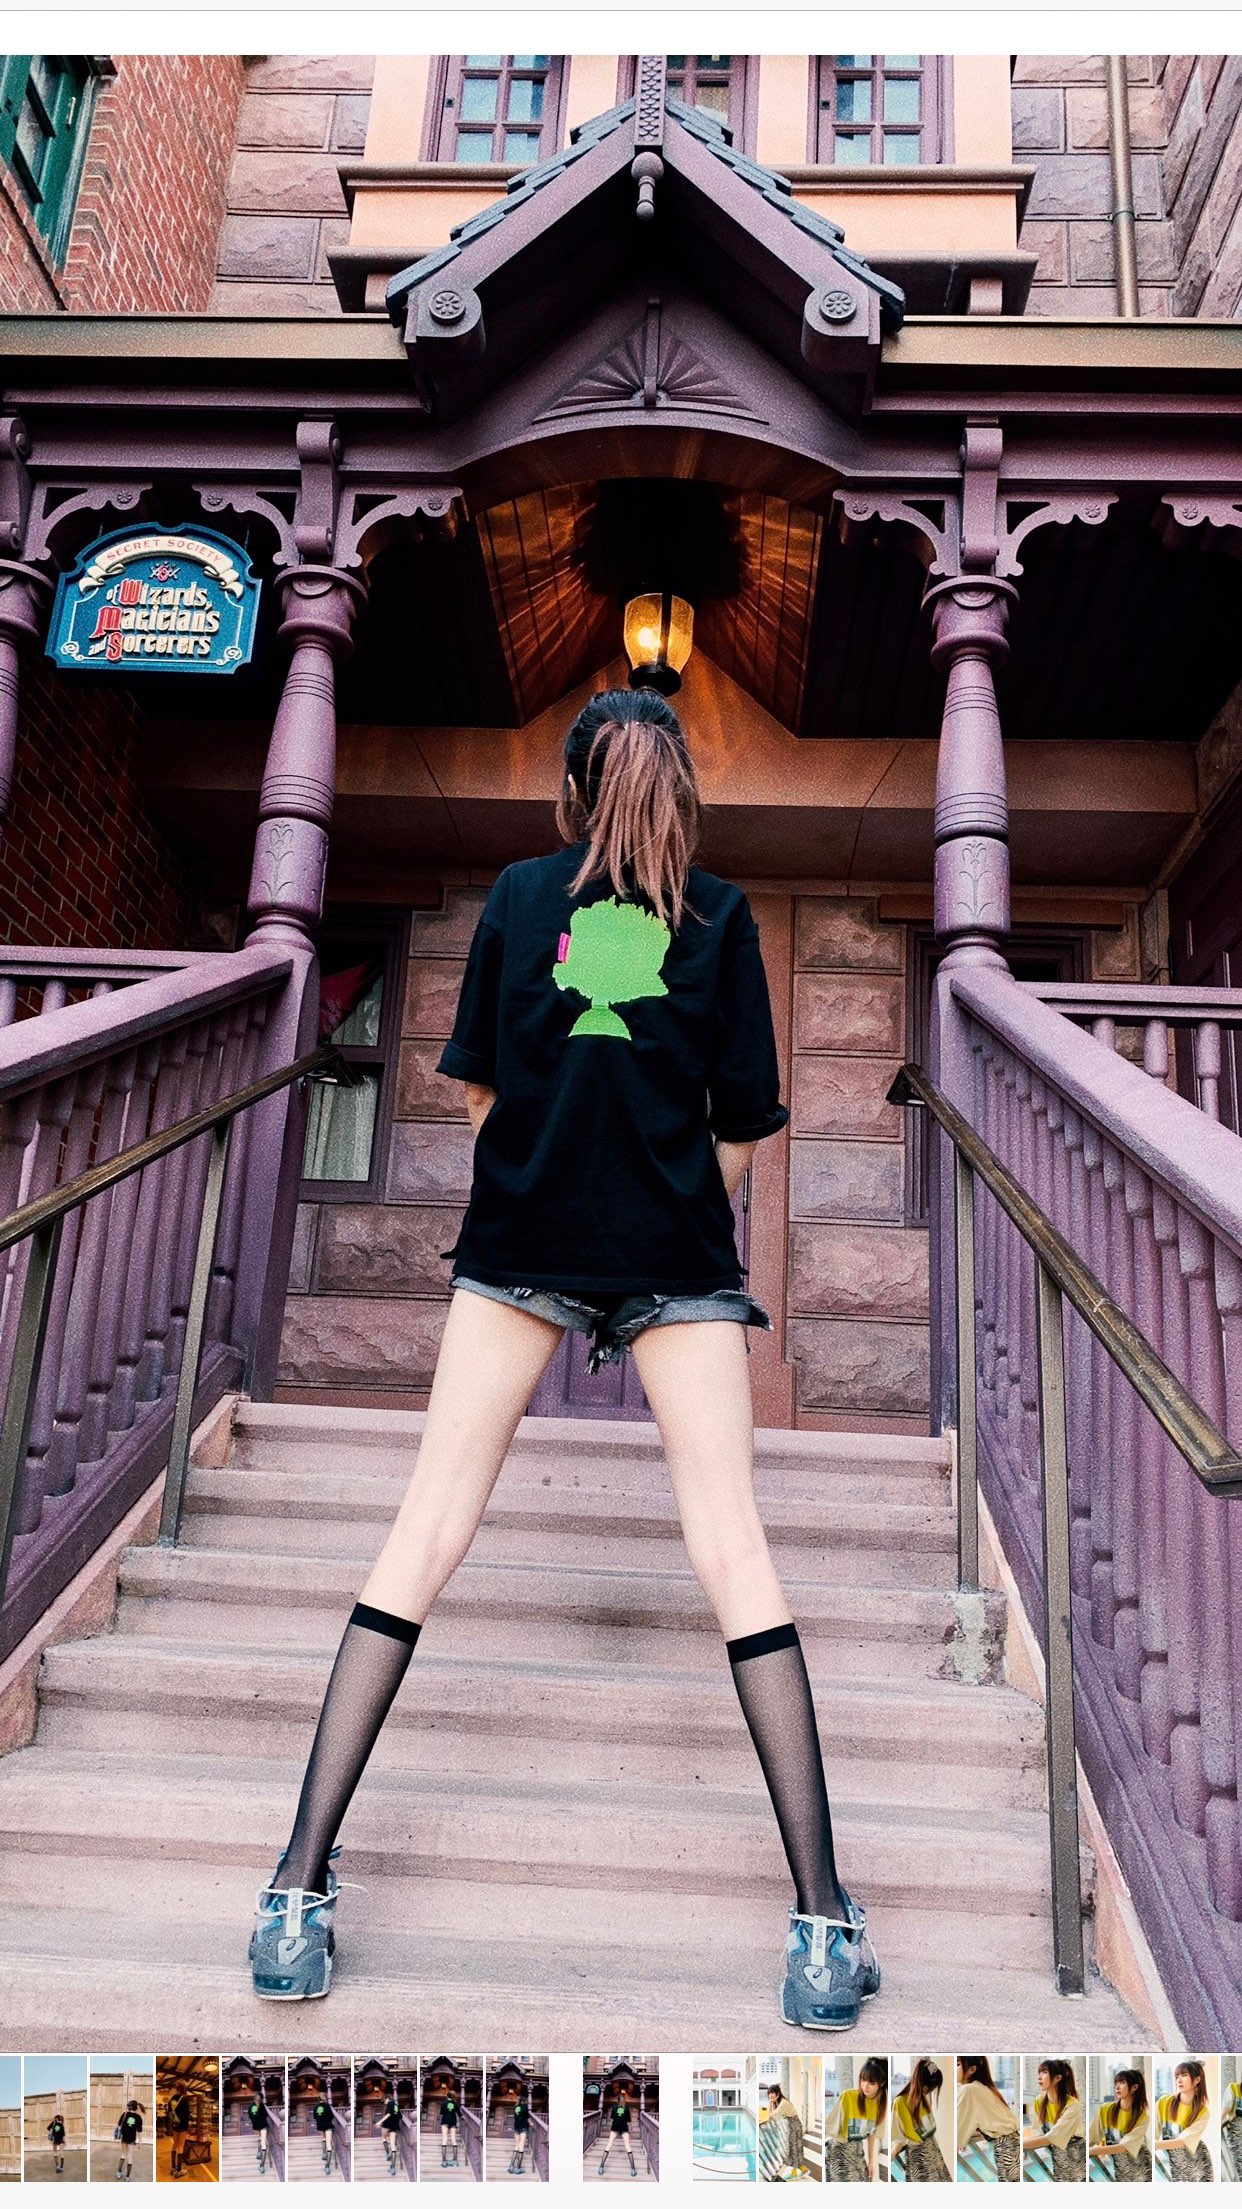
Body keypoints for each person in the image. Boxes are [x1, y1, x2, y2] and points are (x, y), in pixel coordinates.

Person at [248, 688, 877, 2032]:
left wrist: (542, 1180)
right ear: (680, 785)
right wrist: (668, 1208)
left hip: (517, 1242)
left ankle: (294, 1894)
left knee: (422, 1533)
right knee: (734, 1551)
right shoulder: (720, 916)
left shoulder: (520, 897)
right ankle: (824, 1929)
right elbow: (744, 1120)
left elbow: (477, 1085)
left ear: (576, 789)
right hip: (675, 1261)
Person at [956, 2058, 1020, 2183]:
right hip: (1013, 2143)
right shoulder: (986, 2088)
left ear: (972, 2069)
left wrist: (959, 2139)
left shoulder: (969, 2089)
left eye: (957, 2064)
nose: (953, 2069)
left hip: (1005, 2148)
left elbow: (959, 2125)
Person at [825, 2057, 887, 2184]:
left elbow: (872, 2135)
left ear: (882, 2083)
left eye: (871, 2083)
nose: (865, 2086)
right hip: (839, 2151)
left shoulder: (880, 2105)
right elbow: (830, 2126)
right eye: (863, 2080)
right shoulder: (848, 2096)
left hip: (858, 2151)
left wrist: (871, 2161)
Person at [1024, 2060, 1086, 2183]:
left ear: (1057, 2078)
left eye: (1044, 2072)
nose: (1039, 2076)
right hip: (1058, 2153)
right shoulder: (1039, 2101)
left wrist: (1018, 2144)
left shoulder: (1072, 2104)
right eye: (1039, 2072)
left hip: (1075, 2153)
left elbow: (1052, 2137)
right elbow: (1038, 2132)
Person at [1089, 2069, 1151, 2184]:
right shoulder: (1105, 2110)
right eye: (1116, 2083)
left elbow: (1124, 2147)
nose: (1117, 2087)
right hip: (1120, 2167)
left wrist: (1091, 2151)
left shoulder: (1143, 2118)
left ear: (1134, 2087)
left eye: (1122, 2082)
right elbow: (1091, 2137)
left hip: (1141, 2168)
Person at [892, 2061, 949, 2185]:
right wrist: (893, 2151)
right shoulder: (900, 2102)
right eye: (932, 2088)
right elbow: (899, 2135)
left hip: (933, 2150)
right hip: (919, 2157)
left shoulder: (922, 2099)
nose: (931, 2092)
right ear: (925, 2087)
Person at [1156, 2061, 1213, 2183]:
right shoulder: (1164, 2102)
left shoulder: (1203, 2112)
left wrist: (1156, 2145)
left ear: (1197, 2080)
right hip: (1177, 2164)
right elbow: (1154, 2135)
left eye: (1184, 2075)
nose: (1179, 2080)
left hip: (1200, 2165)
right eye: (1177, 2076)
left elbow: (1183, 2142)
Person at [760, 2083, 804, 2184]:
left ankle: (794, 2172)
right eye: (769, 2093)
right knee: (796, 2148)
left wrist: (769, 2102)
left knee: (793, 2149)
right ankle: (801, 2169)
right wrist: (772, 2102)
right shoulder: (780, 2102)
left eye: (772, 2092)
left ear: (778, 2093)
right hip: (794, 2124)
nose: (770, 2095)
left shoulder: (783, 2103)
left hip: (793, 2126)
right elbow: (772, 2114)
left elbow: (770, 2115)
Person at [598, 2088, 636, 2178]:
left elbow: (612, 2118)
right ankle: (633, 2169)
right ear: (624, 2100)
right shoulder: (627, 2108)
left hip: (615, 2128)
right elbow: (628, 2120)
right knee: (628, 2146)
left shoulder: (614, 2107)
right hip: (624, 2128)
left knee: (609, 2145)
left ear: (617, 2100)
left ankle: (601, 2167)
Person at [115, 2100, 143, 2184]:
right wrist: (140, 2141)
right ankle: (127, 2177)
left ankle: (118, 2172)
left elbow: (119, 2125)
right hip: (132, 2139)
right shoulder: (138, 2117)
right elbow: (139, 2131)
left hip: (124, 2138)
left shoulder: (124, 2114)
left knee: (123, 2154)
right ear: (136, 2107)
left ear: (129, 2107)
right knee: (130, 2157)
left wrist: (117, 2137)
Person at [167, 2088, 192, 2181]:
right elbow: (187, 2114)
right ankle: (179, 2170)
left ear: (177, 2089)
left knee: (174, 2144)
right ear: (184, 2090)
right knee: (181, 2146)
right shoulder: (184, 2099)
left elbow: (169, 2112)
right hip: (183, 2125)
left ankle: (173, 2167)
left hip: (174, 2124)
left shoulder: (172, 2099)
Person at [244, 2090, 269, 2173]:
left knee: (261, 2139)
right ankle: (261, 2165)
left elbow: (252, 2117)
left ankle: (259, 2155)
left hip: (258, 2126)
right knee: (263, 2142)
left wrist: (255, 2126)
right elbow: (265, 2115)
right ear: (261, 2099)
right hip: (263, 2125)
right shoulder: (261, 2105)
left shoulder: (253, 2106)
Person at [312, 2093, 335, 2175]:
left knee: (323, 2138)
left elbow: (314, 2116)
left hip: (320, 2125)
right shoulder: (327, 2105)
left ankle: (324, 2154)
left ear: (319, 2098)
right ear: (324, 2097)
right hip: (327, 2125)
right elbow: (331, 2116)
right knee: (329, 2144)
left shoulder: (315, 2107)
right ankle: (327, 2167)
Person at [380, 2090, 401, 2176]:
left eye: (383, 2101)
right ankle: (392, 2167)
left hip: (388, 2125)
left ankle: (388, 2153)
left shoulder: (390, 2103)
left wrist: (380, 2121)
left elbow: (388, 2114)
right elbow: (400, 2116)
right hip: (395, 2126)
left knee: (383, 2137)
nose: (384, 2103)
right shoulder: (396, 2106)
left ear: (387, 2098)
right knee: (393, 2145)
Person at [509, 2092, 531, 2176]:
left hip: (516, 2127)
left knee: (516, 2146)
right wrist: (530, 2123)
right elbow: (527, 2117)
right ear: (524, 2100)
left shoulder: (516, 2107)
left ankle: (511, 2167)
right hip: (523, 2127)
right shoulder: (525, 2106)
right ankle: (518, 2168)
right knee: (521, 2146)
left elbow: (517, 2117)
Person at [440, 2087, 460, 2170]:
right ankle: (455, 2160)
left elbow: (441, 2112)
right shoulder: (455, 2104)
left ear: (447, 2095)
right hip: (453, 2122)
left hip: (445, 2121)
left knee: (444, 2139)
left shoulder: (443, 2103)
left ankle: (444, 2161)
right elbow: (459, 2113)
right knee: (453, 2140)